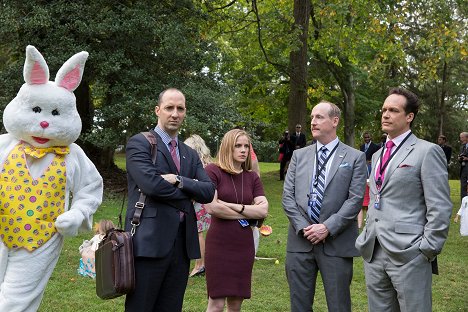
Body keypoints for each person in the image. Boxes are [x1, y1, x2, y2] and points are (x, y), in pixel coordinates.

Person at [355, 87, 452, 312]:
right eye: (384, 110)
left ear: (409, 117)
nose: (386, 114)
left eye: (393, 110)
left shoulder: (427, 152)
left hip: (410, 254)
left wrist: (426, 250)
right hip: (374, 250)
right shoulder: (378, 155)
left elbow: (440, 206)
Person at [124, 88, 215, 312]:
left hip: (182, 245)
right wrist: (189, 193)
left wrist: (178, 180)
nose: (175, 113)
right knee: (141, 307)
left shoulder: (189, 153)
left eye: (180, 109)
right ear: (158, 111)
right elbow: (151, 185)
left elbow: (208, 191)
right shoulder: (139, 143)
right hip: (148, 242)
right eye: (169, 108)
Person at [282, 101, 367, 312]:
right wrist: (304, 227)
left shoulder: (355, 157)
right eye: (312, 117)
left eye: (319, 117)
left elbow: (355, 200)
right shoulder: (299, 156)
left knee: (339, 306)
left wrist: (327, 227)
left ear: (335, 121)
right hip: (300, 243)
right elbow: (287, 198)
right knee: (299, 306)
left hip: (336, 244)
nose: (313, 122)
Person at [204, 129, 269, 312]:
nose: (243, 150)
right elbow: (212, 207)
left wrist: (233, 207)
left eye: (246, 146)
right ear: (227, 148)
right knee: (216, 303)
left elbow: (264, 209)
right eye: (238, 146)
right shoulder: (212, 171)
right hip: (219, 243)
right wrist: (249, 212)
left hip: (243, 244)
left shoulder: (252, 177)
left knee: (235, 304)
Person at [184, 134, 213, 278]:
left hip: (199, 202)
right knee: (198, 232)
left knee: (197, 232)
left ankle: (200, 265)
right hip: (205, 201)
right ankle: (201, 263)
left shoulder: (199, 164)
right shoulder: (208, 164)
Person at [458, 132, 468, 199]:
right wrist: (459, 158)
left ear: (467, 138)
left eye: (462, 137)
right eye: (460, 137)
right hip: (464, 170)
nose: (461, 139)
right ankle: (463, 204)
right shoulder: (462, 147)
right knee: (463, 187)